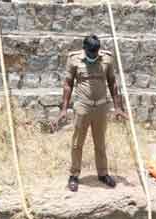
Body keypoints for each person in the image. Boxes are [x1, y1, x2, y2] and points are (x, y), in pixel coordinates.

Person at [53, 34, 127, 192]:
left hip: (101, 108)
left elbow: (113, 82)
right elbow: (68, 84)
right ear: (84, 49)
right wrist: (64, 109)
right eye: (90, 53)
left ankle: (102, 174)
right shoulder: (74, 59)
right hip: (83, 107)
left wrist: (118, 107)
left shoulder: (106, 59)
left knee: (100, 143)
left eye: (96, 53)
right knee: (77, 143)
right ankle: (74, 175)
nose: (93, 56)